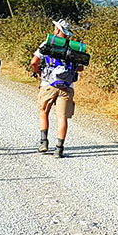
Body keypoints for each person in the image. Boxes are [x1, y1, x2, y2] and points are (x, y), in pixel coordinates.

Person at [30, 18, 82, 157]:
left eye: (55, 28)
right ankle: (59, 149)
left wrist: (39, 73)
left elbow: (34, 62)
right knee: (62, 117)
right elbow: (81, 67)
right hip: (67, 86)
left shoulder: (48, 43)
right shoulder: (75, 47)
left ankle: (43, 142)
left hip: (48, 84)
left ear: (58, 30)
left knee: (43, 111)